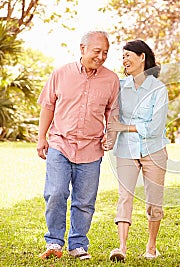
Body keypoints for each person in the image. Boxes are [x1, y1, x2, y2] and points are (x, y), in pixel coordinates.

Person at [36, 31, 120, 260]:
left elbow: (112, 112)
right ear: (82, 49)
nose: (101, 56)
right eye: (97, 51)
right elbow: (48, 106)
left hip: (91, 149)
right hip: (60, 144)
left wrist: (109, 133)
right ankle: (54, 242)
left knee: (85, 201)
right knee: (56, 193)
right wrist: (41, 137)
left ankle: (78, 245)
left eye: (105, 53)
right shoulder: (61, 73)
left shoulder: (111, 80)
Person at [107, 40, 169, 262]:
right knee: (124, 197)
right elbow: (112, 116)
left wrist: (124, 127)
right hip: (125, 149)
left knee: (154, 201)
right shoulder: (120, 86)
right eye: (122, 57)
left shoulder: (158, 89)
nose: (124, 61)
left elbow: (155, 127)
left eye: (128, 55)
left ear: (142, 57)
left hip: (154, 150)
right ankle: (121, 248)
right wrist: (111, 137)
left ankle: (151, 246)